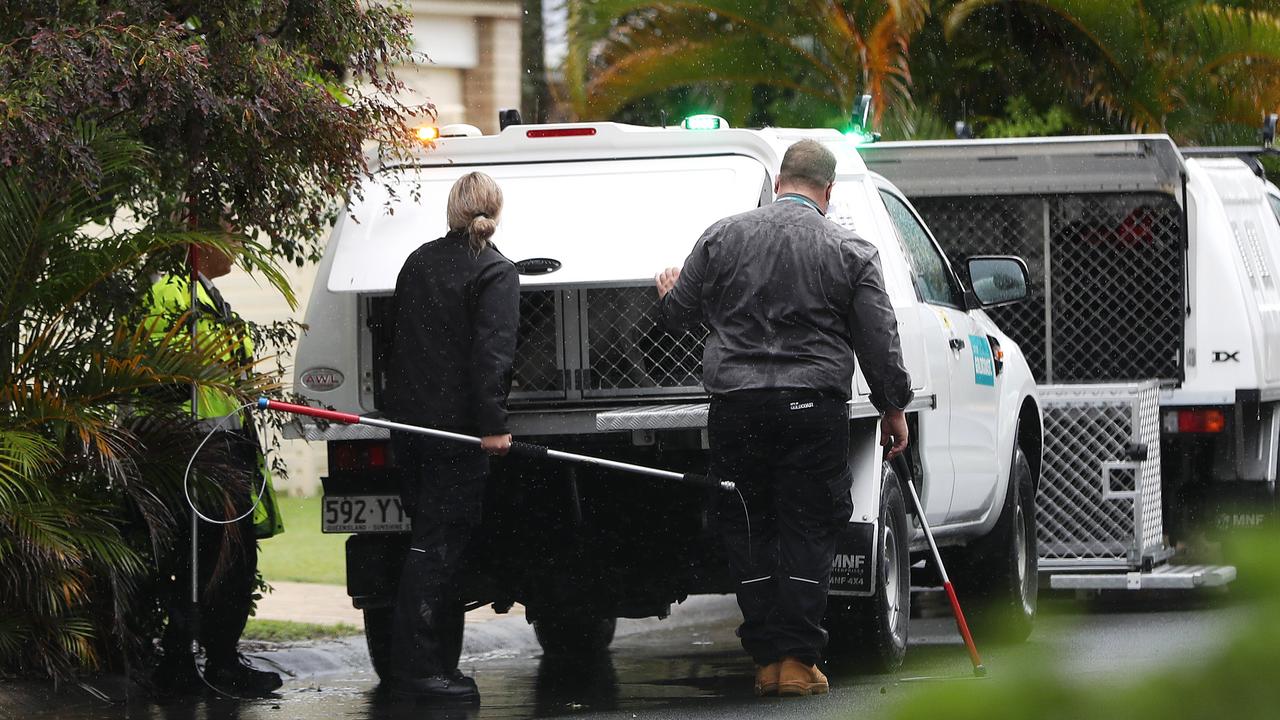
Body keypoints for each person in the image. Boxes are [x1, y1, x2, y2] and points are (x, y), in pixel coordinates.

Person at [655, 140, 913, 698]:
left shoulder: (722, 236)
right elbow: (878, 337)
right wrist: (894, 407)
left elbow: (677, 317)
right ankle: (797, 659)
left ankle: (767, 658)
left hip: (737, 408)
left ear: (778, 182)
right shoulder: (851, 249)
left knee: (748, 525)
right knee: (807, 526)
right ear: (828, 191)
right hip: (811, 408)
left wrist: (670, 291)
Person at [383, 171, 520, 701]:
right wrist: (494, 427)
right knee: (440, 549)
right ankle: (419, 669)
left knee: (427, 540)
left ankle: (438, 664)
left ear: (452, 210)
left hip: (410, 425)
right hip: (457, 433)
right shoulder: (494, 271)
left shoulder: (419, 261)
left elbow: (393, 337)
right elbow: (493, 358)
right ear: (495, 211)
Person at [146, 235, 285, 696]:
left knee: (219, 560)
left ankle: (204, 659)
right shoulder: (174, 293)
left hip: (221, 447)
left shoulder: (206, 294)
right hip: (200, 452)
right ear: (199, 243)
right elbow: (160, 371)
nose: (239, 245)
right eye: (229, 233)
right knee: (210, 559)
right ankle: (197, 663)